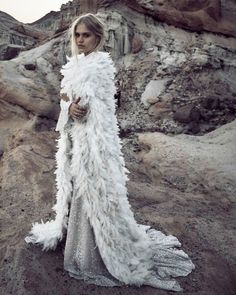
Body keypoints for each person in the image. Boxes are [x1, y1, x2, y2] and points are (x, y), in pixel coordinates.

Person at [25, 13, 195, 291]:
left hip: (93, 144)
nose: (81, 40)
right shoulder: (76, 64)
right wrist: (69, 109)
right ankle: (71, 236)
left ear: (98, 37)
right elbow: (65, 97)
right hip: (73, 140)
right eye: (77, 35)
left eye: (86, 35)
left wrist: (85, 113)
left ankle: (90, 250)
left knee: (90, 189)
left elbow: (105, 110)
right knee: (70, 185)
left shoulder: (100, 66)